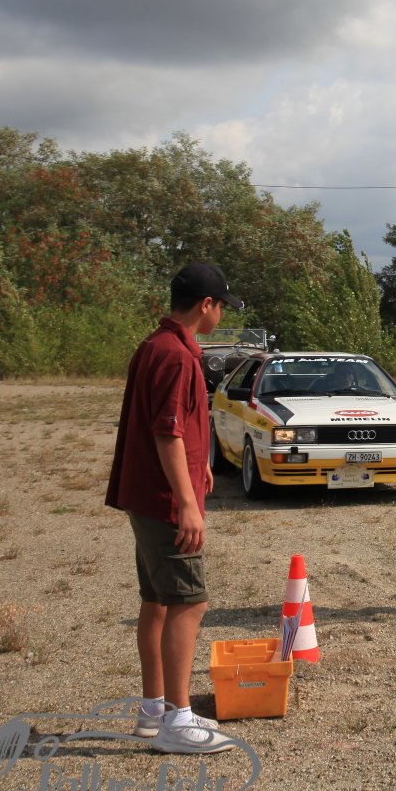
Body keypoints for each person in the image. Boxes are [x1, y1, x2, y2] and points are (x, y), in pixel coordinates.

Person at [105, 261, 244, 754]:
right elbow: (166, 431)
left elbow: (175, 423)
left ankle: (154, 710)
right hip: (164, 500)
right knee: (189, 601)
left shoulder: (156, 344)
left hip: (146, 494)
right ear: (206, 304)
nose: (222, 315)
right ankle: (178, 721)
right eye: (221, 305)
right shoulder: (177, 355)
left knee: (159, 601)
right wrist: (187, 503)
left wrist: (199, 462)